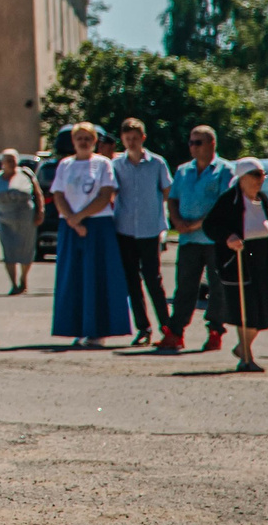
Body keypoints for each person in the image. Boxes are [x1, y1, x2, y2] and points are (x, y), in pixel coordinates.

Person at [50, 122, 130, 347]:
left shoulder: (102, 164)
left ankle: (98, 331)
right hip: (71, 226)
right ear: (73, 142)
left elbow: (106, 195)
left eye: (88, 138)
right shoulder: (65, 165)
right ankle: (77, 328)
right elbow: (58, 195)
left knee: (97, 277)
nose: (83, 142)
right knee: (74, 277)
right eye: (79, 139)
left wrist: (81, 216)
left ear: (95, 141)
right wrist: (73, 221)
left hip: (97, 225)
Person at [160, 127, 234, 354]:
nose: (193, 147)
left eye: (198, 143)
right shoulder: (183, 171)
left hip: (213, 238)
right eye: (191, 142)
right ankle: (176, 332)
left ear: (212, 143)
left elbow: (223, 205)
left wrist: (194, 224)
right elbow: (172, 198)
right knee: (185, 287)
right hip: (188, 239)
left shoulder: (224, 170)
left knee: (217, 286)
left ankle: (215, 331)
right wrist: (176, 219)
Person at [204, 158, 268, 372]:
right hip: (238, 260)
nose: (260, 180)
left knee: (263, 311)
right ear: (243, 178)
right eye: (256, 176)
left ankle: (242, 347)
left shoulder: (263, 199)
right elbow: (209, 226)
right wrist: (228, 236)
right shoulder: (229, 200)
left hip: (261, 261)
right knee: (245, 311)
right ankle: (246, 359)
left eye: (262, 175)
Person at [111, 119, 175, 343]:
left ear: (143, 138)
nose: (131, 142)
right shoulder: (117, 164)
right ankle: (143, 328)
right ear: (122, 139)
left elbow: (168, 190)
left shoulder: (157, 163)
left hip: (149, 229)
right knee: (131, 281)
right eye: (127, 139)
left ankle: (167, 327)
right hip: (125, 228)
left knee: (153, 279)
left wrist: (161, 216)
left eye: (135, 138)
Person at [0, 151, 41, 294]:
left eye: (13, 160)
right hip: (5, 219)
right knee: (8, 251)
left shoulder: (26, 174)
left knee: (27, 250)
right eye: (7, 160)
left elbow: (38, 194)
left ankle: (23, 279)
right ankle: (13, 284)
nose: (10, 163)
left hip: (27, 219)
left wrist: (40, 212)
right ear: (2, 163)